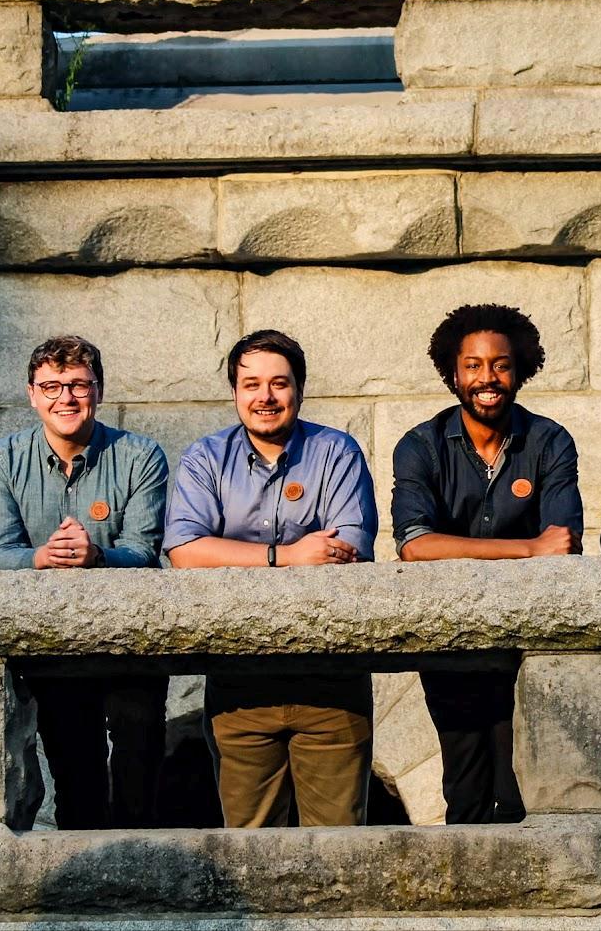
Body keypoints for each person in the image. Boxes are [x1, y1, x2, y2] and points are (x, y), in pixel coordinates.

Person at [167, 330, 378, 828]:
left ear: (300, 390)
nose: (265, 397)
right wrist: (287, 555)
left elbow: (346, 555)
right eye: (251, 384)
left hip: (331, 684)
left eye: (279, 384)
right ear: (235, 392)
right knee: (249, 846)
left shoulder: (337, 453)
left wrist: (228, 554)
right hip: (239, 687)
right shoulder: (205, 459)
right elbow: (185, 552)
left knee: (339, 847)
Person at [392, 304, 582, 824]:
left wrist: (540, 548)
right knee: (465, 791)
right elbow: (415, 545)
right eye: (473, 365)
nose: (487, 378)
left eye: (500, 364)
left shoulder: (549, 442)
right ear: (453, 374)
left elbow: (562, 545)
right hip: (449, 643)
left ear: (519, 370)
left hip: (529, 645)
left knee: (524, 795)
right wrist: (527, 548)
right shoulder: (420, 445)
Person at [0, 335, 171, 829]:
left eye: (79, 385)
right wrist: (41, 557)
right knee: (76, 786)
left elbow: (144, 551)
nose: (65, 398)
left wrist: (96, 556)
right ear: (32, 394)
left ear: (98, 391)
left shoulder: (141, 456)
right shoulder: (3, 459)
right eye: (51, 386)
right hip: (53, 649)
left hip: (133, 645)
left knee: (138, 782)